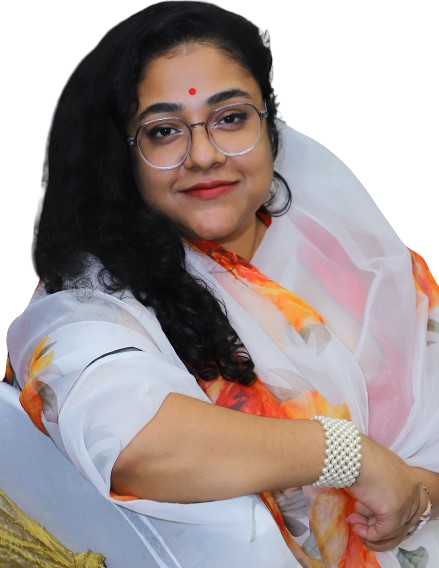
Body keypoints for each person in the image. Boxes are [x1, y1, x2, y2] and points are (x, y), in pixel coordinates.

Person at [4, 1, 438, 566]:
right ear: (124, 157)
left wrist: (415, 499)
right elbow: (134, 444)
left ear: (270, 125)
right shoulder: (90, 304)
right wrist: (349, 455)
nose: (205, 155)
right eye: (163, 132)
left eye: (230, 118)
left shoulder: (365, 266)